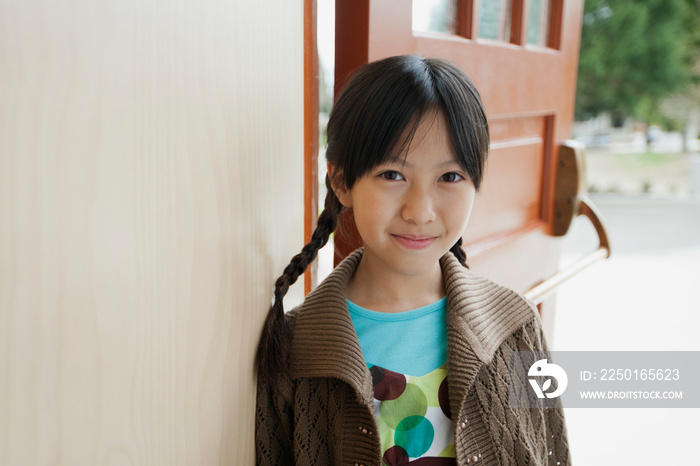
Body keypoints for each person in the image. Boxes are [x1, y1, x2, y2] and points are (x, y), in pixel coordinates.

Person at [255, 55, 570, 465]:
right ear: (341, 182)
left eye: (450, 177)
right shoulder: (297, 346)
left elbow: (551, 451)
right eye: (392, 175)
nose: (420, 211)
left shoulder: (516, 327)